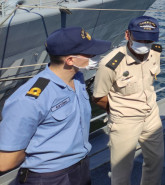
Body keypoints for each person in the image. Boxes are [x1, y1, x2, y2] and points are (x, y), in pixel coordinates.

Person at [0, 27, 111, 184]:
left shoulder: (77, 79)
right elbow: (6, 161)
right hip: (49, 176)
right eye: (89, 53)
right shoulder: (31, 99)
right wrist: (43, 154)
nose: (95, 56)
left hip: (80, 167)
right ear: (70, 60)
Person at [92, 16, 164, 185]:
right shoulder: (110, 64)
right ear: (127, 35)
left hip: (151, 115)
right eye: (140, 39)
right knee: (121, 170)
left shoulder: (155, 52)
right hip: (125, 120)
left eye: (149, 40)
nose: (145, 44)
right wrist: (119, 112)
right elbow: (99, 97)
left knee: (156, 160)